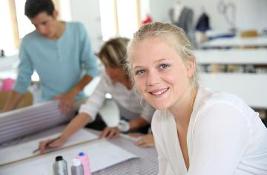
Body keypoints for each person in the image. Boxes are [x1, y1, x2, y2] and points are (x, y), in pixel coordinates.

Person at [127, 22, 267, 175]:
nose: (152, 81)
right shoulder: (160, 120)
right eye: (141, 71)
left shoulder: (219, 114)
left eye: (163, 66)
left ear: (189, 66)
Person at [39, 37, 155, 154]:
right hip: (127, 120)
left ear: (123, 66)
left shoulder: (146, 79)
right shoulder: (107, 78)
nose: (105, 70)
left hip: (153, 120)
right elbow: (89, 109)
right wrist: (63, 137)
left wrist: (121, 127)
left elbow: (147, 116)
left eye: (108, 66)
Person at [3, 0, 99, 113]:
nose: (41, 30)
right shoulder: (28, 43)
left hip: (77, 100)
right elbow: (22, 81)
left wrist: (71, 94)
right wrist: (4, 113)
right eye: (35, 25)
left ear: (55, 14)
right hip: (48, 104)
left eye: (44, 23)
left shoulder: (78, 30)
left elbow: (92, 68)